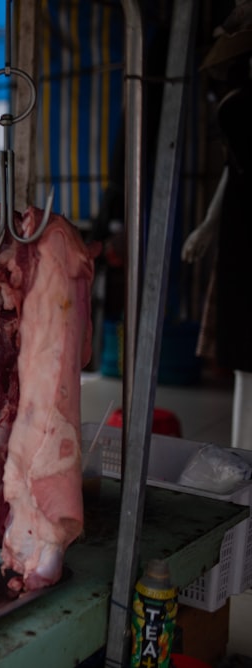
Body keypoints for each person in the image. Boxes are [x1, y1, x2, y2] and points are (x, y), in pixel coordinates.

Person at [182, 7, 252, 451]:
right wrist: (208, 224)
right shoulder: (237, 97)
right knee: (244, 343)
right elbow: (233, 166)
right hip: (241, 225)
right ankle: (242, 451)